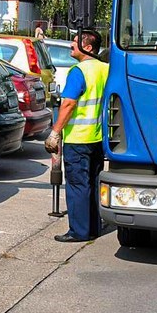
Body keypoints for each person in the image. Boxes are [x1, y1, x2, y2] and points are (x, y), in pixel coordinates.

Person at [44, 31, 109, 243]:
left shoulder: (78, 71)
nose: (71, 44)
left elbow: (69, 104)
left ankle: (78, 232)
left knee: (77, 185)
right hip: (98, 138)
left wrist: (55, 132)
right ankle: (93, 228)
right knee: (92, 183)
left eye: (76, 42)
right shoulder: (105, 69)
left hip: (78, 139)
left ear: (88, 48)